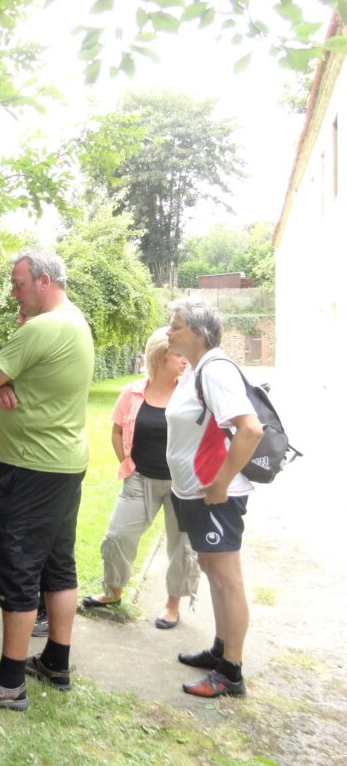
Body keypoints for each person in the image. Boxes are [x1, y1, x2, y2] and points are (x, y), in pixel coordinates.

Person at [0, 250, 93, 711]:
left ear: (44, 281)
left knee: (16, 567)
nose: (14, 291)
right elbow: (5, 379)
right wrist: (4, 381)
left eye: (18, 284)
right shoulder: (74, 322)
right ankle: (56, 661)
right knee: (58, 565)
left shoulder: (41, 328)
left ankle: (9, 682)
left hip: (32, 466)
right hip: (64, 464)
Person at [164, 299, 262, 698]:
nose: (169, 332)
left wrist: (221, 483)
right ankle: (221, 649)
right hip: (196, 491)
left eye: (176, 326)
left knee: (226, 579)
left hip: (215, 495)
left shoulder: (216, 370)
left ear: (199, 334)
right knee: (210, 568)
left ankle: (231, 673)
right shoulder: (196, 369)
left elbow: (250, 430)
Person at [82, 327, 200, 629]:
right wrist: (127, 462)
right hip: (140, 478)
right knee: (118, 535)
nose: (184, 360)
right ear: (160, 356)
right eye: (178, 354)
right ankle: (113, 591)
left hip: (181, 484)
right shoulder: (133, 392)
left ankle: (173, 604)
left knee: (182, 545)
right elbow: (118, 429)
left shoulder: (191, 394)